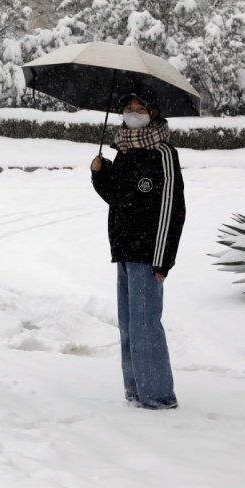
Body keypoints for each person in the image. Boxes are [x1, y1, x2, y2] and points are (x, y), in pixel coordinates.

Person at [90, 93, 186, 410]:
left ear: (153, 112)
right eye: (127, 108)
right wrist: (99, 173)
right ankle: (136, 391)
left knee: (146, 327)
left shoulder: (163, 154)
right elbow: (116, 198)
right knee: (130, 326)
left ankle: (158, 396)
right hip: (123, 250)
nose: (132, 113)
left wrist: (163, 259)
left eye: (139, 108)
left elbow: (172, 209)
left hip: (149, 254)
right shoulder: (125, 152)